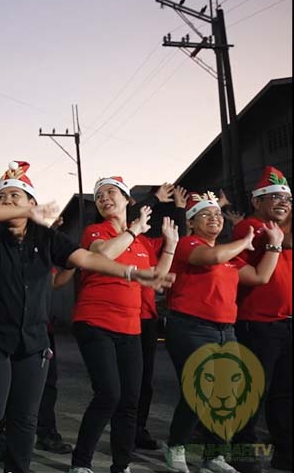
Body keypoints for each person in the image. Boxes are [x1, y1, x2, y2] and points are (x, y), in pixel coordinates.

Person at [0, 161, 173, 473]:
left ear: (32, 202)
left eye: (15, 197)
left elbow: (86, 258)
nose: (7, 203)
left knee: (25, 419)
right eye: (2, 198)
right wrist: (18, 211)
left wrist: (131, 273)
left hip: (32, 342)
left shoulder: (46, 237)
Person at [162, 192, 283, 473]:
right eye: (206, 214)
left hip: (225, 331)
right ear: (191, 223)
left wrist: (274, 247)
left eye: (217, 214)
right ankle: (176, 446)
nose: (215, 218)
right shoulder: (188, 244)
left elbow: (260, 276)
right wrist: (245, 241)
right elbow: (212, 256)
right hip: (191, 327)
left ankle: (214, 456)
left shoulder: (231, 258)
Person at [69, 176, 179, 473]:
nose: (104, 198)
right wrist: (132, 230)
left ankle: (121, 465)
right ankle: (81, 464)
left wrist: (170, 246)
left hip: (131, 327)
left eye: (111, 192)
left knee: (130, 400)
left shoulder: (142, 242)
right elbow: (103, 254)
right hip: (95, 321)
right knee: (108, 395)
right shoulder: (95, 231)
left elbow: (156, 280)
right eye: (99, 195)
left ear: (127, 200)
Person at [229, 167, 292, 473]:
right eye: (273, 196)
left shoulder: (286, 232)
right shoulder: (250, 227)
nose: (282, 201)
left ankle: (285, 453)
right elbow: (250, 276)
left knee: (285, 392)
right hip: (258, 323)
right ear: (257, 202)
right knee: (254, 392)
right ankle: (243, 453)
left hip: (286, 323)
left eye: (286, 198)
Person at [136, 183, 188, 451]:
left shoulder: (149, 243)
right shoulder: (123, 236)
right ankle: (123, 430)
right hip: (121, 320)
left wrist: (180, 209)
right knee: (122, 383)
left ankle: (138, 430)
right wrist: (153, 198)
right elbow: (133, 213)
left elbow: (176, 238)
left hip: (146, 318)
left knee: (146, 379)